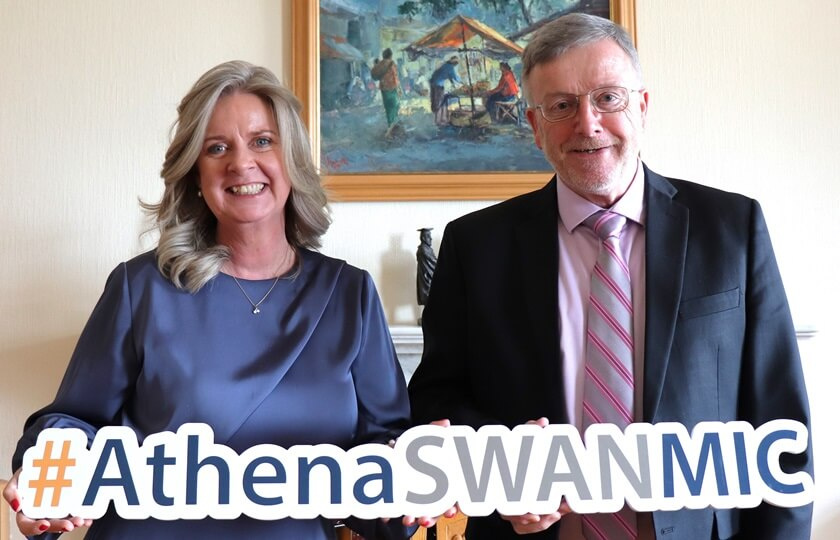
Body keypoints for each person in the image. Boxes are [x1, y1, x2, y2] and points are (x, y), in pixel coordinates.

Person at [408, 13, 812, 540]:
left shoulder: (732, 229)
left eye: (607, 98)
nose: (587, 124)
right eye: (560, 106)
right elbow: (436, 402)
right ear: (534, 127)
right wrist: (500, 469)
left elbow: (780, 420)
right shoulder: (475, 245)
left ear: (642, 107)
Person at [3, 60, 416, 540]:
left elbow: (381, 457)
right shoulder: (142, 288)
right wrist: (46, 485)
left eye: (262, 141)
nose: (241, 163)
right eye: (217, 148)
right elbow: (74, 419)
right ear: (196, 173)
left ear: (293, 160)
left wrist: (412, 492)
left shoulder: (351, 294)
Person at [371, 48, 401, 131]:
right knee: (395, 106)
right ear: (390, 55)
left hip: (384, 89)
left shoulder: (380, 64)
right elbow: (395, 77)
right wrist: (399, 88)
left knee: (388, 108)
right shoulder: (391, 63)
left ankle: (390, 125)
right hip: (392, 88)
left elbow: (374, 76)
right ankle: (393, 126)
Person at [429, 56, 462, 125]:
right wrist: (462, 81)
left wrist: (453, 83)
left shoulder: (445, 65)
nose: (456, 64)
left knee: (436, 102)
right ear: (454, 63)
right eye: (456, 63)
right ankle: (439, 121)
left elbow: (449, 76)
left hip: (433, 84)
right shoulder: (450, 67)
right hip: (438, 86)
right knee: (439, 102)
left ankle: (439, 119)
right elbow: (455, 77)